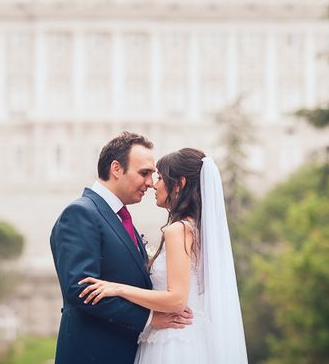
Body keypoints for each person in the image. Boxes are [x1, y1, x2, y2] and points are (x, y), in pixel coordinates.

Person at [79, 148, 249, 363]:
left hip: (174, 342)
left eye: (159, 177)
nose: (153, 185)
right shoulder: (198, 230)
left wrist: (118, 288)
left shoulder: (178, 230)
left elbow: (176, 299)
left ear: (180, 184)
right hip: (195, 338)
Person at [50, 132, 193, 364]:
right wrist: (149, 319)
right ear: (117, 169)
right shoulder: (81, 213)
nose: (149, 183)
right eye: (144, 173)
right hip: (93, 354)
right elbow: (81, 290)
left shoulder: (119, 217)